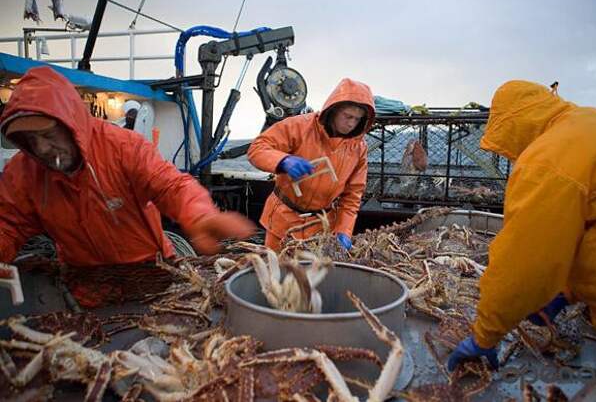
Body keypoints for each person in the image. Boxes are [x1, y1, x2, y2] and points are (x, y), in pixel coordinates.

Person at [0, 66, 255, 306]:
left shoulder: (123, 147)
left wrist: (200, 218)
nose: (42, 148)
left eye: (48, 135)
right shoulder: (22, 173)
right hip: (87, 284)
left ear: (70, 123)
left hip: (152, 273)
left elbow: (171, 185)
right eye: (31, 140)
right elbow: (8, 225)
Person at [448, 80, 596, 371]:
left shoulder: (547, 161)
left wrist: (485, 334)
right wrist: (568, 292)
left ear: (512, 125)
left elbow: (525, 260)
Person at [247, 78, 375, 251]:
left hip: (321, 227)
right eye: (348, 116)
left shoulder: (358, 148)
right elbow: (257, 148)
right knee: (275, 272)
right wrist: (283, 160)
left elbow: (352, 196)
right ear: (334, 110)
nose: (352, 123)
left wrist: (344, 230)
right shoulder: (299, 126)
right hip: (282, 218)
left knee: (312, 276)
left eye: (358, 119)